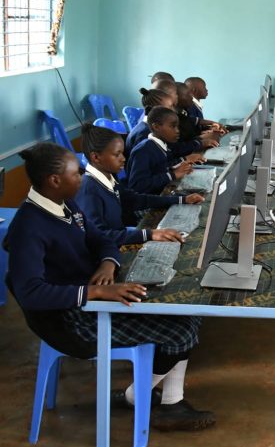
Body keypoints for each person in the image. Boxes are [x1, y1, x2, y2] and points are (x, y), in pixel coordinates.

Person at [4, 142, 215, 430]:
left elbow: (102, 239)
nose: (82, 177)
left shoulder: (66, 205)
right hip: (71, 320)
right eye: (75, 173)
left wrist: (107, 264)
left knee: (189, 314)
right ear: (54, 180)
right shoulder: (29, 227)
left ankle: (167, 401)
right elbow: (30, 293)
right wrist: (98, 291)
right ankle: (140, 398)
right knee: (179, 332)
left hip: (91, 301)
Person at [76, 124, 204, 246]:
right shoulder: (89, 190)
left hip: (118, 239)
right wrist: (148, 234)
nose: (123, 158)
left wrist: (181, 199)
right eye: (117, 154)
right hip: (107, 254)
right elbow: (99, 236)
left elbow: (136, 199)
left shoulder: (107, 176)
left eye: (122, 153)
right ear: (96, 157)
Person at [126, 107, 194, 195]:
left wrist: (182, 162)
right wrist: (172, 175)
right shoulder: (143, 151)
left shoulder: (162, 144)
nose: (177, 131)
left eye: (177, 126)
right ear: (156, 127)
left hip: (161, 193)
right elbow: (137, 186)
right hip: (149, 203)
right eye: (173, 126)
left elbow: (162, 166)